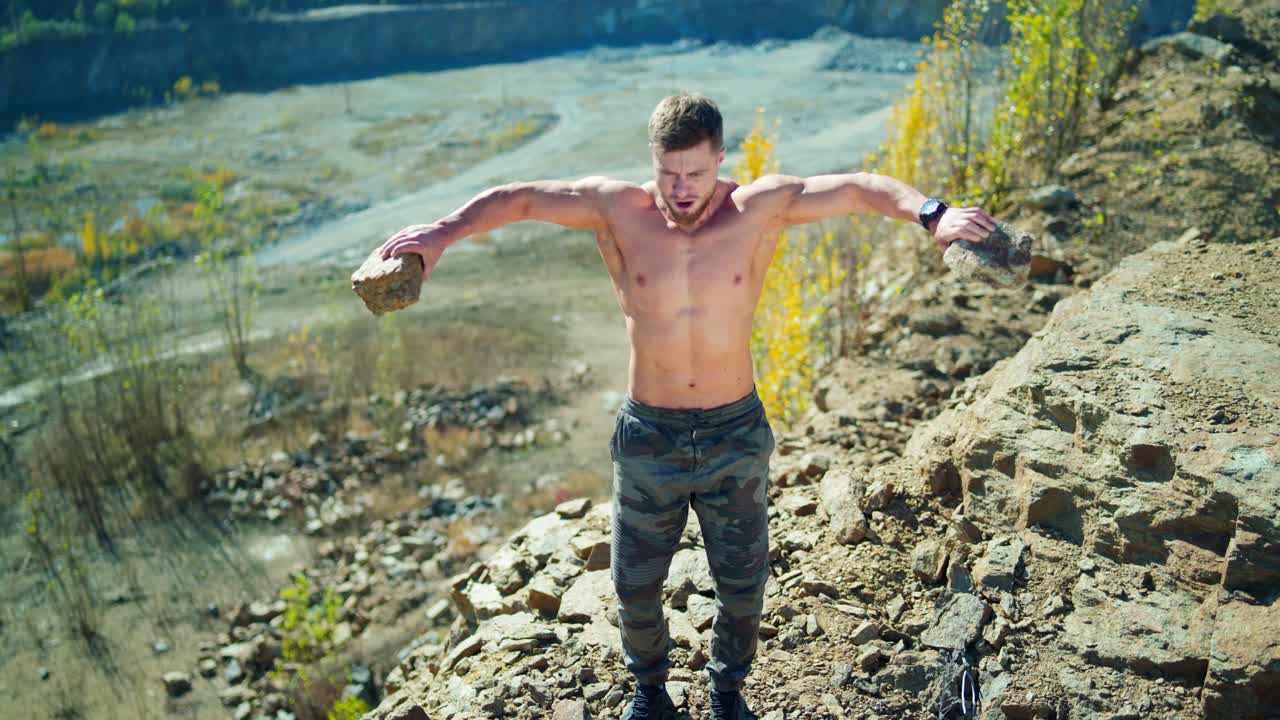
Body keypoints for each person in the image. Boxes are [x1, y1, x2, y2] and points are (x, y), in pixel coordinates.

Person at [379, 93, 995, 720]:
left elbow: (862, 188)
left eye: (695, 173)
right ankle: (650, 694)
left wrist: (933, 213)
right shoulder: (617, 209)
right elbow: (520, 198)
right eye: (667, 172)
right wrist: (444, 233)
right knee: (634, 587)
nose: (679, 188)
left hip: (735, 432)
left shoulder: (759, 208)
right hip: (651, 434)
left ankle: (728, 694)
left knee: (742, 586)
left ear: (720, 159)